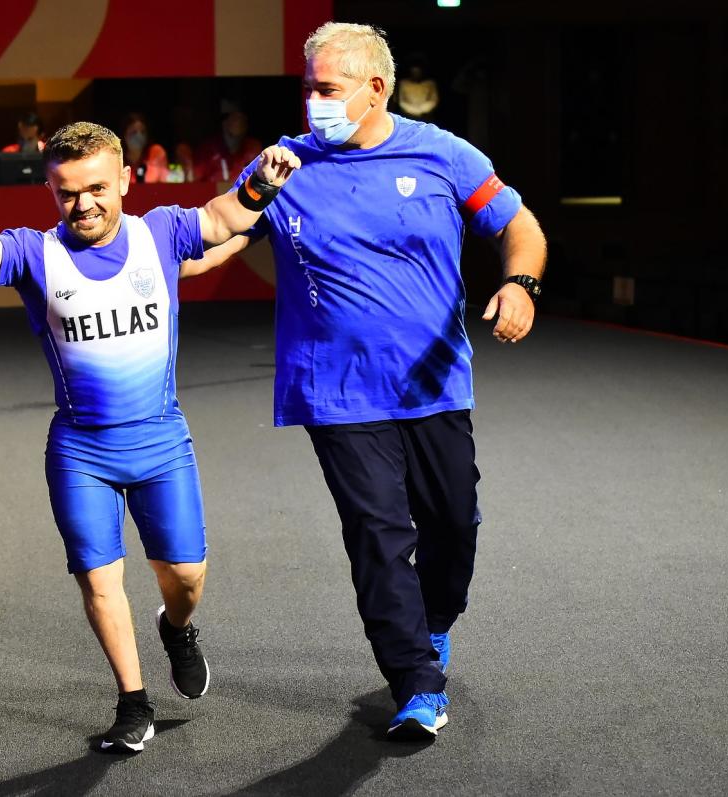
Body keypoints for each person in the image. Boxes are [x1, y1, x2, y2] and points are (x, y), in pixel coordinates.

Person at [183, 22, 546, 741]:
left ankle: (435, 622)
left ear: (376, 88)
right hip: (334, 391)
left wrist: (521, 284)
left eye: (327, 87)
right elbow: (209, 243)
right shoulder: (283, 165)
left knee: (453, 523)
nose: (313, 101)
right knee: (378, 534)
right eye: (308, 86)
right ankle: (415, 680)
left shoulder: (442, 154)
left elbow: (520, 224)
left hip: (434, 384)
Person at [0, 121, 299, 752]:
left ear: (124, 180)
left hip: (162, 439)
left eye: (96, 188)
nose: (82, 203)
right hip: (81, 449)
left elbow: (223, 220)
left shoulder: (160, 230)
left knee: (187, 575)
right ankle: (132, 701)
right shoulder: (37, 252)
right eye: (66, 192)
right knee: (99, 579)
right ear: (52, 191)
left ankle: (176, 628)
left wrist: (262, 184)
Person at [190, 104, 262, 183]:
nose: (238, 122)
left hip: (242, 193)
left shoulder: (253, 147)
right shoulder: (207, 149)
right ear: (224, 123)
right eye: (234, 118)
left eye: (242, 119)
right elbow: (194, 180)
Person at [119, 112, 169, 184]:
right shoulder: (116, 157)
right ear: (124, 135)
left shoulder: (157, 152)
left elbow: (165, 185)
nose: (139, 136)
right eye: (134, 132)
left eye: (142, 132)